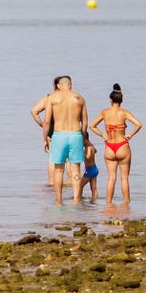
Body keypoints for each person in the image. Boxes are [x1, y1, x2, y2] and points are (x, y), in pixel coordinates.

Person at [30, 76, 89, 205]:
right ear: (71, 85)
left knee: (59, 170)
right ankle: (76, 200)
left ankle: (59, 200)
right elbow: (84, 122)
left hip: (59, 135)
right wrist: (83, 137)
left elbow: (46, 121)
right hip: (75, 135)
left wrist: (45, 139)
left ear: (59, 86)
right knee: (76, 170)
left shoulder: (52, 98)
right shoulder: (79, 98)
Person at [89, 84, 142, 205]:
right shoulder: (124, 113)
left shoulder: (105, 112)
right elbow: (139, 124)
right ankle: (126, 204)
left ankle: (109, 204)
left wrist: (103, 135)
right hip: (122, 145)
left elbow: (92, 126)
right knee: (124, 178)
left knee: (111, 178)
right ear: (121, 100)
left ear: (110, 99)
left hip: (109, 147)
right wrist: (130, 135)